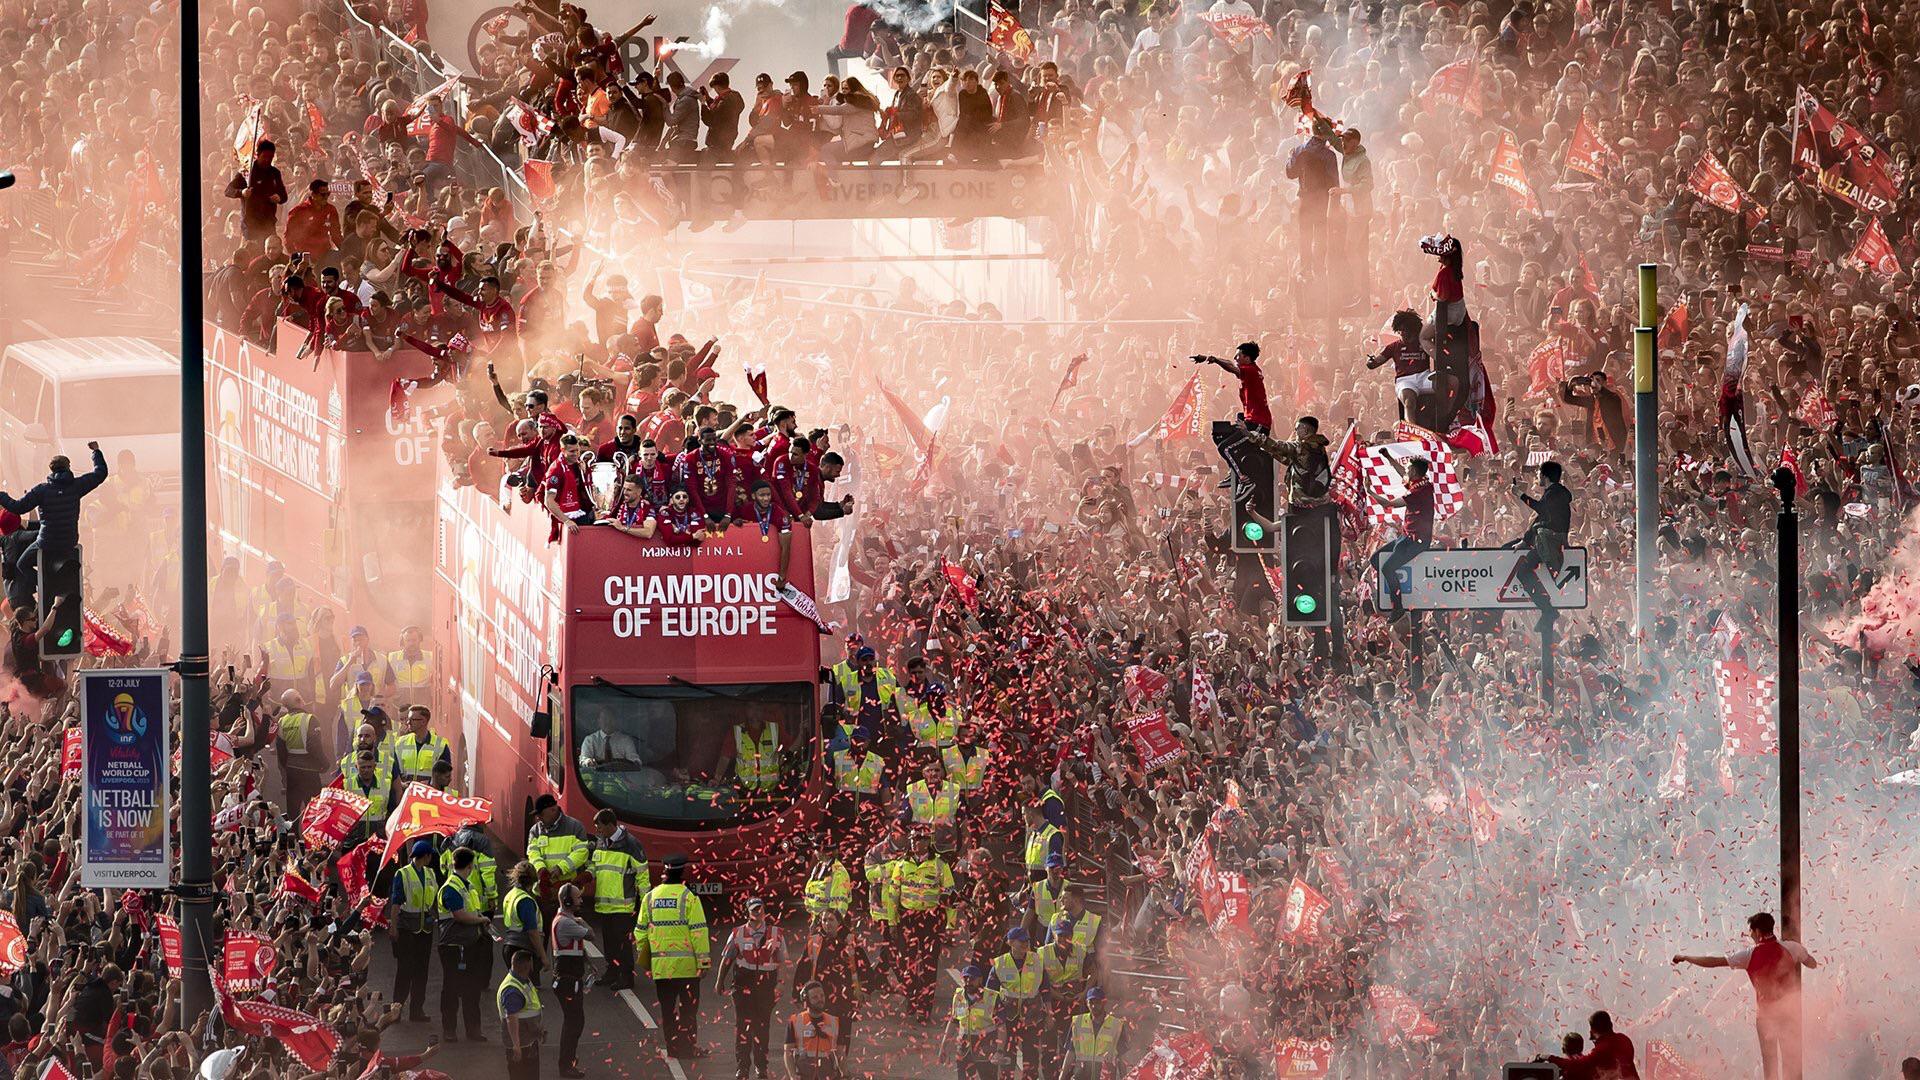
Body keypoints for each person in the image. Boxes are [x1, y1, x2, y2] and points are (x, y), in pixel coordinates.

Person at [1672, 912, 1818, 1080]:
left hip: (1766, 1017)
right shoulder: (1792, 948)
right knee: (1791, 1060)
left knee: (1770, 1062)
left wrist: (1686, 957)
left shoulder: (1749, 955)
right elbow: (1812, 963)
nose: (1749, 935)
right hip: (1789, 1015)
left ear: (1757, 931)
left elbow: (1714, 962)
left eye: (1750, 931)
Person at [639, 854, 711, 1059]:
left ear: (664, 871)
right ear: (682, 873)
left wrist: (646, 961)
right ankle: (688, 1047)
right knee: (688, 1010)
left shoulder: (650, 898)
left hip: (662, 969)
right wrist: (704, 963)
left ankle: (673, 1049)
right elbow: (699, 932)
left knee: (667, 1012)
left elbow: (640, 932)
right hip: (687, 968)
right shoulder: (689, 898)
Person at [716, 896, 787, 1080]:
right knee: (743, 1027)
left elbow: (782, 962)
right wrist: (719, 981)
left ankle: (761, 1068)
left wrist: (780, 983)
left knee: (762, 1028)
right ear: (747, 912)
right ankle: (743, 1068)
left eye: (760, 908)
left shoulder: (776, 933)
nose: (758, 912)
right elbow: (727, 959)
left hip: (766, 987)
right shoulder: (738, 933)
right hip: (743, 986)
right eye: (754, 909)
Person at [1192, 343, 1273, 502]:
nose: (1235, 358)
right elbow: (1231, 365)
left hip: (1257, 425)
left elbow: (1230, 367)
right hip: (1250, 420)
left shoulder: (1250, 371)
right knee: (1219, 435)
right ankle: (1234, 471)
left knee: (1225, 448)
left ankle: (1245, 480)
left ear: (1247, 358)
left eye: (1239, 355)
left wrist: (1214, 360)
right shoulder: (1250, 371)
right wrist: (1211, 358)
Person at [889, 827, 955, 1020]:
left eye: (918, 839)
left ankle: (924, 1008)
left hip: (931, 919)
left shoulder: (940, 865)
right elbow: (893, 894)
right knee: (906, 963)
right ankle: (912, 998)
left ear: (927, 841)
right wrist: (892, 921)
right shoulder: (901, 864)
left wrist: (950, 926)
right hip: (907, 918)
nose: (913, 842)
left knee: (928, 964)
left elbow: (949, 895)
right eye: (912, 838)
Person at [587, 808, 648, 992]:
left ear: (610, 825)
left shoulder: (631, 844)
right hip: (604, 906)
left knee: (622, 944)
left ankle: (626, 976)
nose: (598, 831)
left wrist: (646, 904)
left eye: (600, 827)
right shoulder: (601, 842)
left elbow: (642, 876)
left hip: (623, 906)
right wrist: (587, 875)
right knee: (609, 943)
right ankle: (612, 972)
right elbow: (594, 866)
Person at [438, 845, 492, 1044]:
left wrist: (480, 921)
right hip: (453, 946)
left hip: (470, 944)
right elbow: (460, 915)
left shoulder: (467, 886)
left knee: (472, 988)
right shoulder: (452, 887)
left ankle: (473, 1030)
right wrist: (481, 920)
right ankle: (450, 1030)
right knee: (452, 988)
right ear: (470, 866)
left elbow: (472, 912)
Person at [1370, 456, 1436, 619]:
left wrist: (1369, 491)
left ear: (1414, 472)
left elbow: (1387, 504)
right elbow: (1403, 474)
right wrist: (1389, 458)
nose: (1406, 471)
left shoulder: (1419, 491)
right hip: (1406, 536)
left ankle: (1397, 606)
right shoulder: (1421, 483)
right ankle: (1396, 584)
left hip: (1416, 540)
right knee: (1375, 560)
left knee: (1387, 568)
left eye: (1408, 469)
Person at [1511, 460, 1573, 624]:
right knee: (1525, 569)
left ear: (1545, 476)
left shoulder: (1554, 493)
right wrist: (1525, 541)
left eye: (1539, 473)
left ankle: (1548, 609)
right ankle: (1547, 609)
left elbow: (1541, 510)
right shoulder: (1556, 493)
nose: (1537, 476)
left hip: (1549, 541)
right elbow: (1541, 519)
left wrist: (1520, 495)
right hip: (1548, 540)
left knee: (1523, 572)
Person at [391, 839, 441, 1023]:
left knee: (422, 971)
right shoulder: (402, 874)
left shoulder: (430, 873)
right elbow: (396, 902)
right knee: (405, 970)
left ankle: (416, 1010)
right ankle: (397, 1009)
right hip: (407, 930)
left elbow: (433, 900)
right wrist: (393, 926)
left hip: (425, 930)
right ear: (426, 856)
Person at [988, 926, 1047, 1078]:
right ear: (1011, 942)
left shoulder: (1037, 960)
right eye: (1021, 941)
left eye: (1027, 941)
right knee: (1007, 1056)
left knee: (1031, 1056)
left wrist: (1050, 1013)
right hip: (1008, 1018)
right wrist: (996, 1017)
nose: (1025, 944)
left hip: (1032, 1016)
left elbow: (1045, 988)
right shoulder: (999, 964)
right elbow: (990, 994)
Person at [549, 884, 591, 1078]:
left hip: (569, 980)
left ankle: (568, 1061)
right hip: (568, 981)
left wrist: (589, 962)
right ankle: (566, 1064)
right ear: (567, 901)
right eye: (578, 898)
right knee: (573, 1023)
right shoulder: (567, 923)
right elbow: (590, 934)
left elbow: (575, 948)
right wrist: (582, 921)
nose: (581, 900)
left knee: (576, 1022)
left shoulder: (566, 921)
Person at [1543, 1010, 1639, 1080]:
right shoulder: (1624, 1039)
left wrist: (1549, 1057)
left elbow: (1579, 1065)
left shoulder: (1603, 1048)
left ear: (1593, 1030)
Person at [943, 963, 998, 1080]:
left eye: (972, 979)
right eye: (965, 978)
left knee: (988, 1077)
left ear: (980, 980)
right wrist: (944, 1047)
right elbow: (953, 1022)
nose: (968, 981)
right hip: (964, 1046)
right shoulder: (959, 996)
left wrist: (1001, 1050)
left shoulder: (991, 997)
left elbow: (1002, 1026)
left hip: (985, 1046)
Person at [498, 947, 546, 1080]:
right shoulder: (512, 990)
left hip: (529, 1040)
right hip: (523, 1046)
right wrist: (516, 1046)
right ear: (527, 966)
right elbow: (511, 1018)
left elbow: (530, 1009)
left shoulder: (523, 980)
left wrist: (539, 1030)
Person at [783, 979, 843, 1080]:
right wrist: (793, 1076)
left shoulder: (834, 1021)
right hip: (803, 1075)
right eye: (815, 997)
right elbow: (787, 1052)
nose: (820, 999)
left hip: (828, 1076)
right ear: (806, 1000)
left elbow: (841, 1053)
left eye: (822, 996)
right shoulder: (795, 1021)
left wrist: (844, 1075)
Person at [1060, 986, 1125, 1080]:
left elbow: (1122, 1058)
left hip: (1105, 1076)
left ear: (1104, 1002)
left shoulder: (1117, 1025)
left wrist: (1126, 1077)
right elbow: (1070, 1052)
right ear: (1086, 1003)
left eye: (1098, 1002)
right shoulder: (1077, 1022)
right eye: (1091, 1002)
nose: (1094, 1006)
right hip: (1081, 1076)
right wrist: (1061, 1077)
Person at [501, 861, 548, 972]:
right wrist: (543, 957)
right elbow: (532, 932)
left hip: (509, 945)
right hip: (524, 949)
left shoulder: (511, 895)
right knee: (525, 987)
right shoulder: (525, 900)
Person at [391, 703, 451, 784]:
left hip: (429, 794)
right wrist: (402, 784)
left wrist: (430, 783)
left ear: (423, 721)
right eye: (408, 719)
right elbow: (395, 773)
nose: (408, 722)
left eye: (412, 719)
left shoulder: (441, 746)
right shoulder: (400, 743)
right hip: (407, 793)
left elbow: (446, 777)